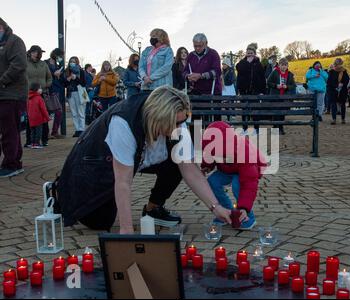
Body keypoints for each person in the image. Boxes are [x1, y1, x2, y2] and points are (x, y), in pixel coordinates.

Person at [56, 86, 234, 234]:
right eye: (176, 124)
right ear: (160, 118)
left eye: (182, 122)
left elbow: (190, 170)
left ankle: (153, 209)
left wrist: (215, 207)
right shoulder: (123, 123)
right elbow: (123, 181)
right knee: (98, 221)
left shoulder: (177, 123)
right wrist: (126, 229)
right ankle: (56, 191)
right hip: (97, 163)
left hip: (138, 158)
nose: (180, 128)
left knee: (177, 162)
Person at [201, 121, 267, 230]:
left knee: (238, 184)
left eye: (221, 155)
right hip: (228, 169)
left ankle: (247, 216)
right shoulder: (214, 149)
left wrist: (243, 207)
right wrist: (207, 166)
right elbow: (209, 156)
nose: (218, 157)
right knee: (212, 181)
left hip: (251, 168)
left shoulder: (244, 151)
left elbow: (249, 183)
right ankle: (226, 211)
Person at [0, 18, 28, 178]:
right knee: (8, 129)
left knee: (10, 130)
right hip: (3, 94)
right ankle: (12, 160)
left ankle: (12, 163)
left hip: (12, 94)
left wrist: (2, 81)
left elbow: (18, 65)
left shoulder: (15, 42)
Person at [25, 45, 52, 147]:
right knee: (30, 118)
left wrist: (45, 86)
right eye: (34, 52)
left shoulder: (43, 64)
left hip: (42, 93)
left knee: (44, 117)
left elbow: (49, 78)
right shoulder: (25, 63)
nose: (36, 53)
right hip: (29, 95)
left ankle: (44, 140)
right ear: (30, 52)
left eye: (38, 52)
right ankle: (29, 141)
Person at [236, 43, 266, 133]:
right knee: (244, 111)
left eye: (251, 53)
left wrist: (262, 91)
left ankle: (256, 128)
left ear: (254, 54)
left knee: (255, 111)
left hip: (255, 91)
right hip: (244, 91)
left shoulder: (258, 64)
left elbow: (262, 78)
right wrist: (246, 62)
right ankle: (244, 128)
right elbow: (238, 68)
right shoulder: (242, 63)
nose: (249, 54)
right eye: (248, 53)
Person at [267, 58, 296, 135]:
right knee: (275, 113)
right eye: (282, 65)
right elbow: (268, 82)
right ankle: (275, 128)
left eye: (285, 65)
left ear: (287, 66)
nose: (283, 67)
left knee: (282, 113)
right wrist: (276, 86)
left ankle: (281, 128)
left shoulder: (290, 74)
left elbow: (293, 85)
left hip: (285, 97)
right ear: (279, 65)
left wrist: (287, 87)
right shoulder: (274, 72)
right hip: (275, 96)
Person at [64, 56, 86, 137]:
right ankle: (77, 129)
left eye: (73, 61)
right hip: (70, 93)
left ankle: (82, 129)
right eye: (70, 61)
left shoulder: (81, 71)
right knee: (74, 113)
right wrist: (68, 79)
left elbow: (83, 83)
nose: (72, 63)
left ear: (77, 62)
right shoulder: (67, 71)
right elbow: (64, 84)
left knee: (80, 111)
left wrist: (76, 78)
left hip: (79, 92)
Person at [45, 48, 65, 138]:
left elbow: (61, 80)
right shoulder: (45, 63)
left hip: (56, 90)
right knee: (46, 111)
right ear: (55, 55)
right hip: (47, 89)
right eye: (60, 56)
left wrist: (60, 76)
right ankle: (46, 133)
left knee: (58, 111)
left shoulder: (58, 66)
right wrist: (54, 74)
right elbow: (43, 75)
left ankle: (54, 131)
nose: (61, 58)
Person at [327, 58, 350, 125]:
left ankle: (343, 119)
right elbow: (329, 82)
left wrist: (342, 84)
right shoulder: (331, 71)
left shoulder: (344, 71)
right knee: (333, 105)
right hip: (333, 90)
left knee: (343, 105)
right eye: (337, 63)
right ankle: (334, 119)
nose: (338, 64)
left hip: (342, 90)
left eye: (339, 63)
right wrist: (336, 86)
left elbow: (347, 80)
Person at [27, 83, 50, 149]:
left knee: (32, 131)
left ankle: (32, 143)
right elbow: (43, 109)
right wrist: (47, 117)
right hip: (38, 118)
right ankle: (37, 143)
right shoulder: (39, 98)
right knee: (38, 131)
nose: (41, 90)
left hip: (31, 117)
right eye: (40, 88)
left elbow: (27, 107)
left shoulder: (29, 98)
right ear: (36, 89)